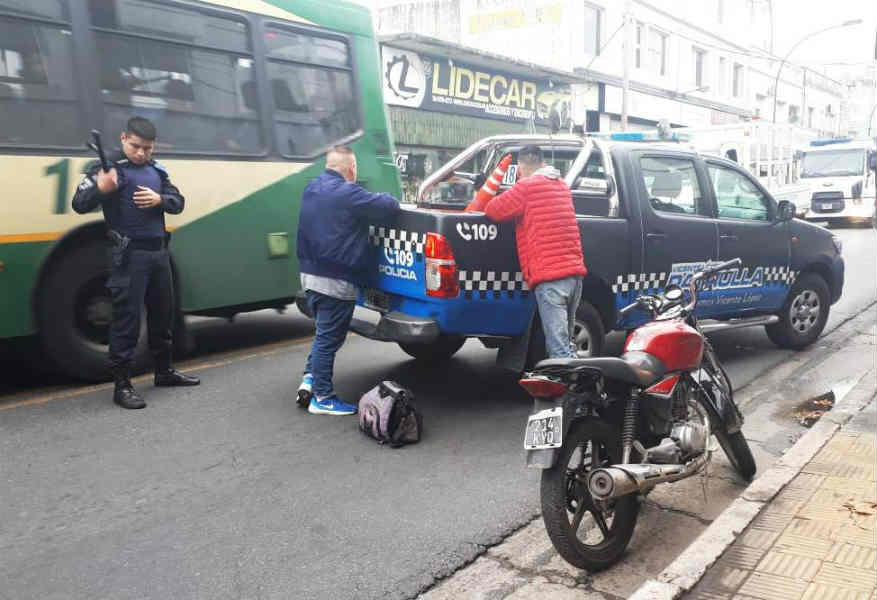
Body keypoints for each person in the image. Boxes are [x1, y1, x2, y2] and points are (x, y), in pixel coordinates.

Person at [72, 116, 200, 409]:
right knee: (126, 321)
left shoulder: (157, 171)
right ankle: (122, 385)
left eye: (148, 148)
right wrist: (101, 189)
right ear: (122, 139)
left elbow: (178, 201)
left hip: (158, 253)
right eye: (136, 146)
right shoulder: (108, 170)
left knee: (162, 315)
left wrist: (160, 200)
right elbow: (79, 204)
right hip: (129, 256)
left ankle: (164, 372)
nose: (142, 153)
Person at [296, 146, 401, 415]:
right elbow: (388, 206)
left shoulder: (312, 188)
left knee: (324, 333)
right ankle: (322, 398)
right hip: (334, 279)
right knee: (329, 338)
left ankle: (310, 379)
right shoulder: (348, 193)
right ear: (351, 169)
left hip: (309, 275)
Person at [466, 145, 587, 359]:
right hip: (574, 276)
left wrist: (494, 189)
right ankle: (576, 386)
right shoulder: (561, 185)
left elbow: (493, 210)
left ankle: (565, 392)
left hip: (551, 279)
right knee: (566, 344)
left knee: (559, 350)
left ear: (520, 167)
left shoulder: (527, 187)